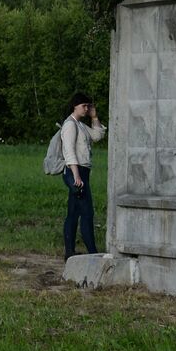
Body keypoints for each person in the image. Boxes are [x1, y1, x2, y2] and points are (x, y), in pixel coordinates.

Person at [60, 92, 105, 259]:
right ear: (75, 106)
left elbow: (97, 136)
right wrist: (76, 176)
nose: (86, 109)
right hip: (75, 172)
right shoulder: (70, 125)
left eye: (88, 106)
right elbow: (69, 151)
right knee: (87, 212)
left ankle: (69, 253)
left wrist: (94, 117)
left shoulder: (80, 125)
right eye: (84, 106)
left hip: (81, 172)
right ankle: (93, 252)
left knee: (73, 213)